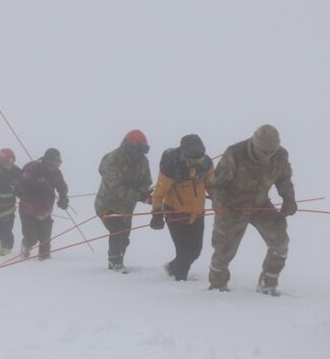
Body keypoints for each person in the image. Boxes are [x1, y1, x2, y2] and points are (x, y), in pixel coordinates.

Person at [207, 125, 297, 294]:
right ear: (255, 144)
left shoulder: (281, 156)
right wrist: (221, 203)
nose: (268, 155)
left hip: (260, 205)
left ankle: (268, 283)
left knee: (280, 241)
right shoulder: (235, 153)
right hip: (232, 206)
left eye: (271, 151)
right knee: (223, 248)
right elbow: (216, 185)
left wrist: (289, 199)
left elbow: (284, 179)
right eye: (264, 151)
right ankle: (217, 285)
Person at [151, 134, 214, 281]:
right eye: (194, 159)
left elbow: (212, 186)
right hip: (176, 215)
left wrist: (220, 201)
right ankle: (180, 285)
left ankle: (172, 267)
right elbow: (158, 195)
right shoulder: (171, 168)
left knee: (195, 252)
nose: (198, 162)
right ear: (185, 155)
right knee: (184, 254)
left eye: (201, 158)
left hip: (198, 213)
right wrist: (157, 215)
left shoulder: (206, 163)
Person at [95, 130, 153, 272]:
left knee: (124, 237)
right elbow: (116, 188)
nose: (139, 154)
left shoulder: (143, 161)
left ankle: (119, 259)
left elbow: (147, 181)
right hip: (108, 204)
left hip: (127, 207)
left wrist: (146, 192)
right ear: (129, 147)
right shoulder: (112, 160)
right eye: (137, 150)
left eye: (142, 150)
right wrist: (139, 197)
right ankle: (115, 263)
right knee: (117, 231)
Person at [15, 148, 69, 260]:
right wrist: (32, 179)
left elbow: (62, 187)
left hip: (45, 212)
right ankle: (26, 245)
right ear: (47, 160)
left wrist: (63, 198)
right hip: (28, 211)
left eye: (58, 163)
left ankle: (44, 261)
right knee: (32, 238)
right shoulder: (32, 168)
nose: (56, 165)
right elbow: (20, 185)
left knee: (45, 238)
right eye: (54, 162)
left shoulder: (56, 173)